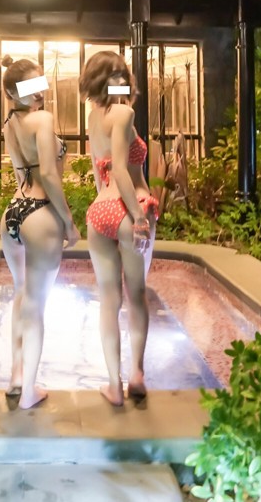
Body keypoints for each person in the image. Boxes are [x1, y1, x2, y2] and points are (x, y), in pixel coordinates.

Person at [0, 55, 81, 409]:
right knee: (36, 304)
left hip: (14, 212)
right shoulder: (43, 120)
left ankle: (17, 376)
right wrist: (69, 222)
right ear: (15, 91)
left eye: (40, 84)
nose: (39, 93)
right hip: (41, 212)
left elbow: (23, 174)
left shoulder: (10, 123)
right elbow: (48, 173)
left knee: (21, 295)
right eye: (31, 87)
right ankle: (29, 390)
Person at [79, 51, 159, 408]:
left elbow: (102, 174)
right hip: (130, 208)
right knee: (136, 293)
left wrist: (107, 204)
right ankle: (137, 376)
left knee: (108, 300)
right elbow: (123, 171)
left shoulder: (93, 117)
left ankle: (114, 385)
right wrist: (138, 218)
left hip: (100, 212)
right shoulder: (124, 113)